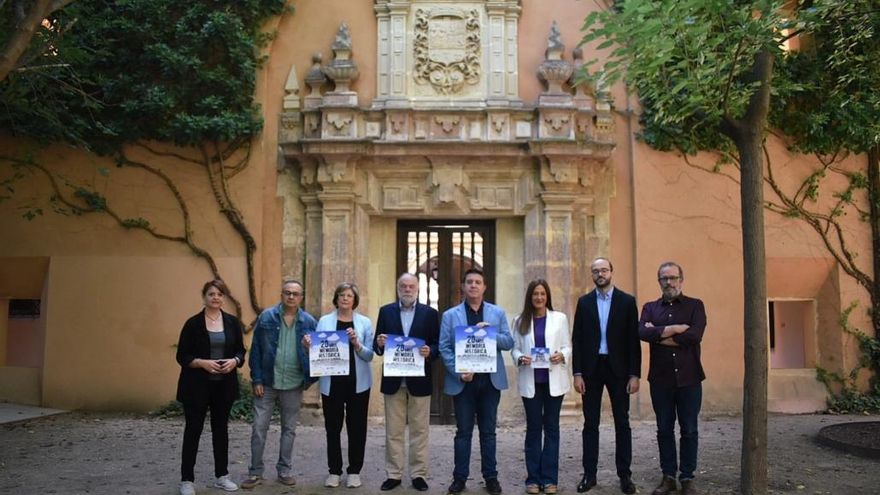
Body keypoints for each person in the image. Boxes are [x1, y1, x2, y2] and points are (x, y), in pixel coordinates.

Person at [439, 268, 514, 495]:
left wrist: (491, 333)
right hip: (464, 382)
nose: (473, 285)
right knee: (463, 432)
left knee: (488, 432)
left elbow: (508, 342)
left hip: (490, 382)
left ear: (484, 287)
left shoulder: (496, 313)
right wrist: (458, 371)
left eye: (477, 282)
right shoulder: (450, 315)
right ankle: (460, 478)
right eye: (469, 282)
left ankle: (490, 477)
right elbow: (444, 347)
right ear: (463, 287)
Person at [571, 258, 640, 494]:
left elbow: (634, 341)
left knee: (622, 422)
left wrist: (634, 374)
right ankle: (589, 475)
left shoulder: (627, 302)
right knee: (590, 424)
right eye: (595, 271)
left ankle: (625, 476)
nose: (600, 274)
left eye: (604, 270)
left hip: (619, 370)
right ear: (592, 275)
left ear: (612, 272)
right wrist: (577, 373)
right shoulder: (584, 302)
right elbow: (577, 339)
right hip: (591, 369)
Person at [241, 278, 317, 490]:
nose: (291, 296)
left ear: (301, 297)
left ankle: (284, 470)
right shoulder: (266, 317)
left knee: (289, 429)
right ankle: (255, 472)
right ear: (281, 295)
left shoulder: (310, 322)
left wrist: (309, 377)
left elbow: (319, 355)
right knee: (258, 427)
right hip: (266, 383)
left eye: (295, 293)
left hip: (293, 383)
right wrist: (256, 379)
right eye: (287, 293)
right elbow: (255, 350)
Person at [639, 262, 707, 495]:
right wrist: (677, 327)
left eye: (673, 278)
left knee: (689, 429)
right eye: (663, 279)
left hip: (690, 379)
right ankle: (668, 476)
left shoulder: (695, 306)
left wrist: (659, 334)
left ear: (681, 279)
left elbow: (694, 335)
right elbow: (642, 332)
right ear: (658, 281)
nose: (668, 282)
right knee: (664, 429)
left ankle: (687, 478)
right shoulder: (649, 307)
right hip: (661, 380)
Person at [175, 279, 246, 495]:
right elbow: (182, 356)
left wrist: (235, 361)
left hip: (223, 387)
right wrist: (202, 363)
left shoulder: (232, 323)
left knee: (221, 431)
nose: (216, 298)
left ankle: (222, 476)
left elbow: (241, 352)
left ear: (224, 298)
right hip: (196, 386)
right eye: (211, 294)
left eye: (220, 294)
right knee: (193, 431)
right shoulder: (192, 323)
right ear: (204, 297)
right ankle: (187, 480)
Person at [304, 282, 374, 489]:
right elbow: (317, 353)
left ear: (354, 300)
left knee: (357, 428)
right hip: (332, 383)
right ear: (336, 298)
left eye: (349, 296)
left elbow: (370, 355)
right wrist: (308, 346)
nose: (345, 298)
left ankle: (354, 471)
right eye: (342, 295)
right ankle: (334, 471)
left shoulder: (364, 323)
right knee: (332, 428)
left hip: (358, 383)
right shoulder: (325, 321)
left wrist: (356, 344)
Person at [373, 273, 440, 492]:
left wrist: (430, 351)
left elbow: (437, 345)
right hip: (393, 381)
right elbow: (377, 346)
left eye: (411, 286)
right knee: (393, 430)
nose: (407, 289)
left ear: (418, 289)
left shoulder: (430, 314)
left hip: (420, 380)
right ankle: (393, 474)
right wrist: (381, 343)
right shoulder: (386, 311)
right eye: (403, 286)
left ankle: (418, 475)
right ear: (397, 288)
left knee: (420, 431)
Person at [511, 280, 572, 495]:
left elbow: (567, 345)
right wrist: (521, 358)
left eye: (542, 294)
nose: (539, 297)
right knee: (534, 430)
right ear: (530, 297)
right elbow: (514, 349)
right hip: (531, 383)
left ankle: (549, 479)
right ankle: (533, 479)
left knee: (552, 430)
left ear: (547, 297)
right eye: (535, 294)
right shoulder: (519, 321)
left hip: (554, 382)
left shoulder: (559, 319)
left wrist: (562, 355)